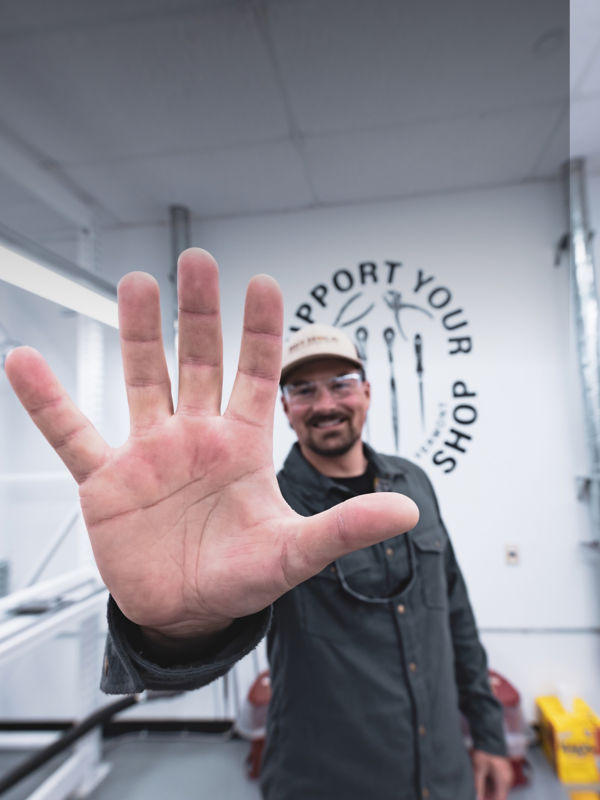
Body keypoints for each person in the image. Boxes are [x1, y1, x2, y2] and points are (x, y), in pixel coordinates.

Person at [5, 248, 512, 800]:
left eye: (340, 383)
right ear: (286, 407)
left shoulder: (413, 483)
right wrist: (174, 631)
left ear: (367, 391)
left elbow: (456, 613)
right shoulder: (259, 509)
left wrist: (487, 735)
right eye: (303, 390)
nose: (325, 403)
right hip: (325, 781)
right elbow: (174, 679)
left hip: (444, 771)